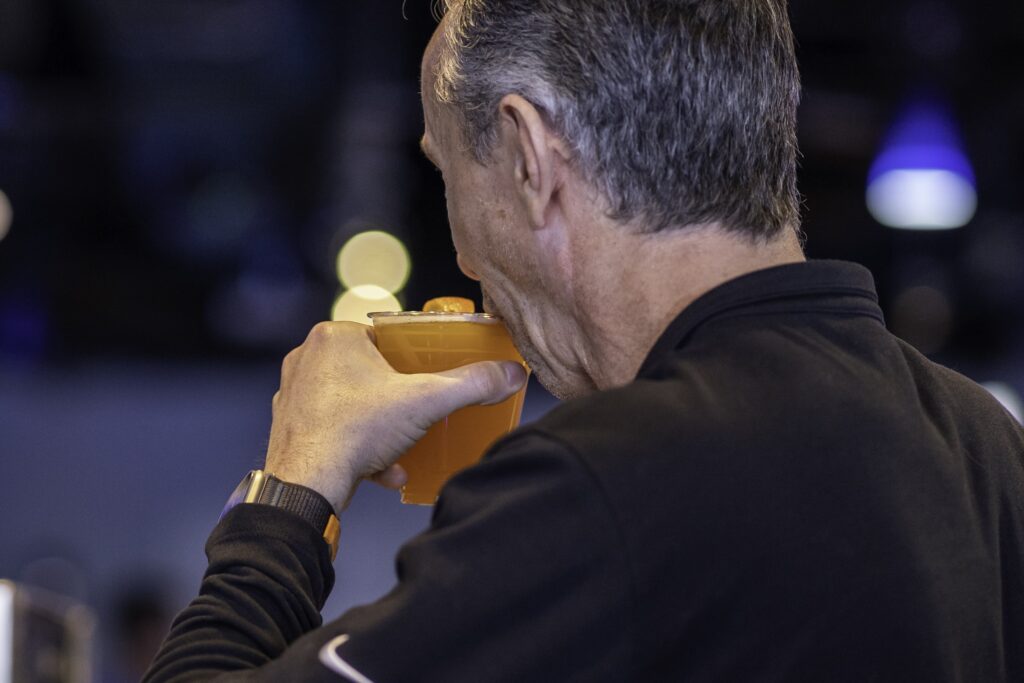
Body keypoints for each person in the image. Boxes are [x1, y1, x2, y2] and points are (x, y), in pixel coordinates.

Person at [144, 1, 1024, 681]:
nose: (460, 255)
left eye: (449, 175)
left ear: (530, 158)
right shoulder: (989, 450)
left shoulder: (607, 479)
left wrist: (290, 490)